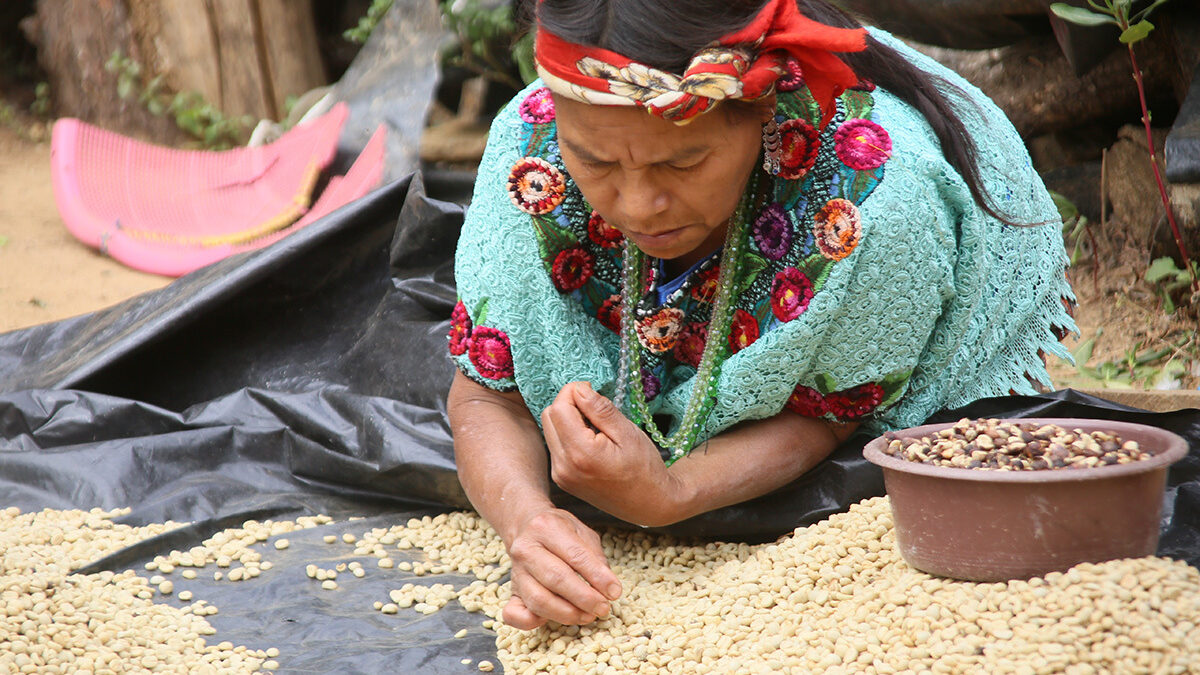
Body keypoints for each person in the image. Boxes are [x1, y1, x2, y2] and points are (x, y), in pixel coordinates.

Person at [446, 0, 1076, 630]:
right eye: (598, 163)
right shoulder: (532, 155)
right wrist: (529, 522)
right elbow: (486, 390)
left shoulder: (870, 198)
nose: (638, 206)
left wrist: (674, 494)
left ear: (765, 112)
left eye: (683, 162)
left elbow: (829, 410)